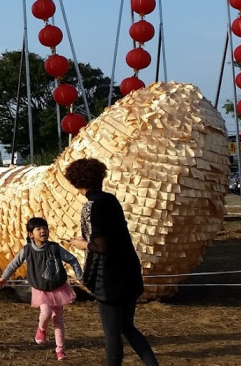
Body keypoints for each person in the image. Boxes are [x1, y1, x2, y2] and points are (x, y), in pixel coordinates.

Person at [65, 157, 159, 366]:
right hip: (129, 270)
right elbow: (111, 236)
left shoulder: (91, 206)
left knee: (112, 334)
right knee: (127, 326)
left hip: (108, 277)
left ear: (77, 182)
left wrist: (84, 245)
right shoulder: (111, 200)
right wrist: (88, 241)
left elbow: (102, 245)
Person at [0, 216, 83, 361]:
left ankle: (60, 350)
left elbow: (72, 259)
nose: (43, 231)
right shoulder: (27, 250)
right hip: (40, 288)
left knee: (58, 320)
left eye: (45, 228)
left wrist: (80, 276)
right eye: (39, 229)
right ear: (31, 234)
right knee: (47, 312)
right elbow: (14, 263)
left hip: (58, 287)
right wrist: (4, 277)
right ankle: (41, 329)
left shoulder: (54, 248)